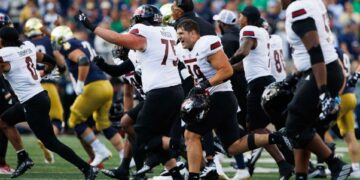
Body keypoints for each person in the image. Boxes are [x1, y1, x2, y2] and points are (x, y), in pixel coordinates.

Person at [77, 4, 185, 179]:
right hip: (175, 90)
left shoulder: (143, 32)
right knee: (149, 135)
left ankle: (180, 146)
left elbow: (118, 38)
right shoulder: (169, 31)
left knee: (142, 137)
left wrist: (92, 27)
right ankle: (174, 173)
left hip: (160, 92)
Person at [175, 19, 292, 180]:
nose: (179, 37)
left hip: (221, 96)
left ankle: (194, 176)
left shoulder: (205, 44)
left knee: (191, 134)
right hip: (217, 98)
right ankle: (277, 137)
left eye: (181, 33)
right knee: (233, 147)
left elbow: (227, 70)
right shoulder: (182, 51)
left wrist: (204, 85)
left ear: (193, 33)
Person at [0, 26, 97, 179]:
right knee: (4, 120)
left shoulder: (4, 55)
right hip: (38, 97)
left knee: (51, 143)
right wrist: (44, 73)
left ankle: (86, 168)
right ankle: (23, 157)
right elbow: (49, 61)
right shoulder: (27, 46)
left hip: (33, 102)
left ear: (2, 41)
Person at [279, 0, 351, 178]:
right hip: (323, 69)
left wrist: (322, 90)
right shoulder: (313, 2)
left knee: (293, 123)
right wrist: (297, 75)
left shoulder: (298, 8)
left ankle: (336, 164)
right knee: (302, 127)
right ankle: (301, 175)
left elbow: (316, 51)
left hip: (321, 71)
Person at [230, 6, 293, 179]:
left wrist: (226, 62)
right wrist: (227, 69)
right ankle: (288, 161)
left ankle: (284, 158)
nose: (239, 18)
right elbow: (247, 63)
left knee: (255, 127)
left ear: (247, 18)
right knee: (270, 125)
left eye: (241, 15)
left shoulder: (249, 30)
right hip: (268, 81)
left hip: (258, 84)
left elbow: (243, 52)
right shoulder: (263, 33)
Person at [50, 25, 124, 167]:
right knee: (104, 123)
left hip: (93, 86)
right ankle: (124, 156)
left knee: (75, 119)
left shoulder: (67, 44)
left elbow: (83, 60)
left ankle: (100, 150)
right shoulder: (82, 42)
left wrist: (80, 83)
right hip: (105, 84)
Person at [212, 9, 250, 180]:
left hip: (232, 88)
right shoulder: (239, 36)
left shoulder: (226, 40)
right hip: (243, 86)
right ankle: (241, 164)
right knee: (231, 128)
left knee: (227, 129)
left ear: (222, 23)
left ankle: (241, 162)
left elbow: (225, 68)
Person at [24, 17, 66, 164]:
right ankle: (46, 142)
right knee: (57, 119)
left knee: (40, 120)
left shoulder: (26, 45)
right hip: (48, 83)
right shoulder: (48, 41)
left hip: (32, 87)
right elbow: (59, 49)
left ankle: (45, 142)